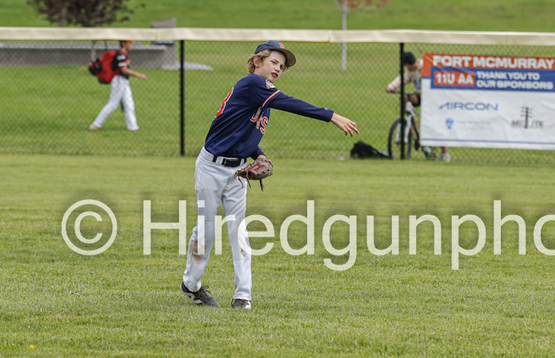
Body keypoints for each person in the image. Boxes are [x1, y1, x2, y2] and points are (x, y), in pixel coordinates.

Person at [181, 40, 359, 309]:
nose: (278, 68)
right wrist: (330, 115)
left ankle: (243, 295)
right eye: (274, 62)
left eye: (282, 66)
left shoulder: (263, 97)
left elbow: (243, 133)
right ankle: (191, 285)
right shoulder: (253, 84)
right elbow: (290, 103)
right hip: (211, 167)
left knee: (239, 231)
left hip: (238, 170)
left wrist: (259, 155)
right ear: (257, 62)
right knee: (206, 229)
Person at [385, 51, 450, 162]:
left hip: (433, 97)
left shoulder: (426, 66)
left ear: (407, 64)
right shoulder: (410, 71)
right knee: (406, 98)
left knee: (435, 124)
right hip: (420, 95)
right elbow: (401, 79)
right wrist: (391, 86)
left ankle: (445, 153)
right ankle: (413, 125)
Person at [89, 40, 147, 131]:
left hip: (124, 81)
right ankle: (96, 124)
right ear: (123, 44)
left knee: (129, 104)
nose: (131, 45)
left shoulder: (124, 55)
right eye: (129, 43)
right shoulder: (120, 55)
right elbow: (124, 70)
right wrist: (138, 75)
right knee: (113, 104)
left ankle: (133, 127)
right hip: (119, 81)